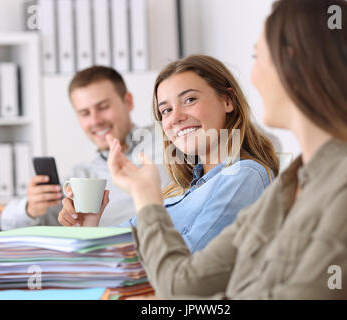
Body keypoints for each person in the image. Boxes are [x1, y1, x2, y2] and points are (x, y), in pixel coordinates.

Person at [102, 0, 347, 299]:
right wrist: (145, 198)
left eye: (257, 57)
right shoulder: (291, 184)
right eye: (165, 110)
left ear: (294, 62)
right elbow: (183, 284)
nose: (253, 75)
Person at [58, 55, 280, 253]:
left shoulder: (244, 175)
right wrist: (88, 227)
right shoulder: (177, 191)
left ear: (227, 100)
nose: (175, 118)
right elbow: (115, 250)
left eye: (190, 100)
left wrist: (145, 198)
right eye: (166, 110)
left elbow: (186, 271)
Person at [0, 66, 169, 230]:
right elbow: (7, 223)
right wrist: (31, 208)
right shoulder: (81, 178)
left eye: (103, 107)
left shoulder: (168, 137)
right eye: (85, 113)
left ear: (128, 101)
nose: (95, 121)